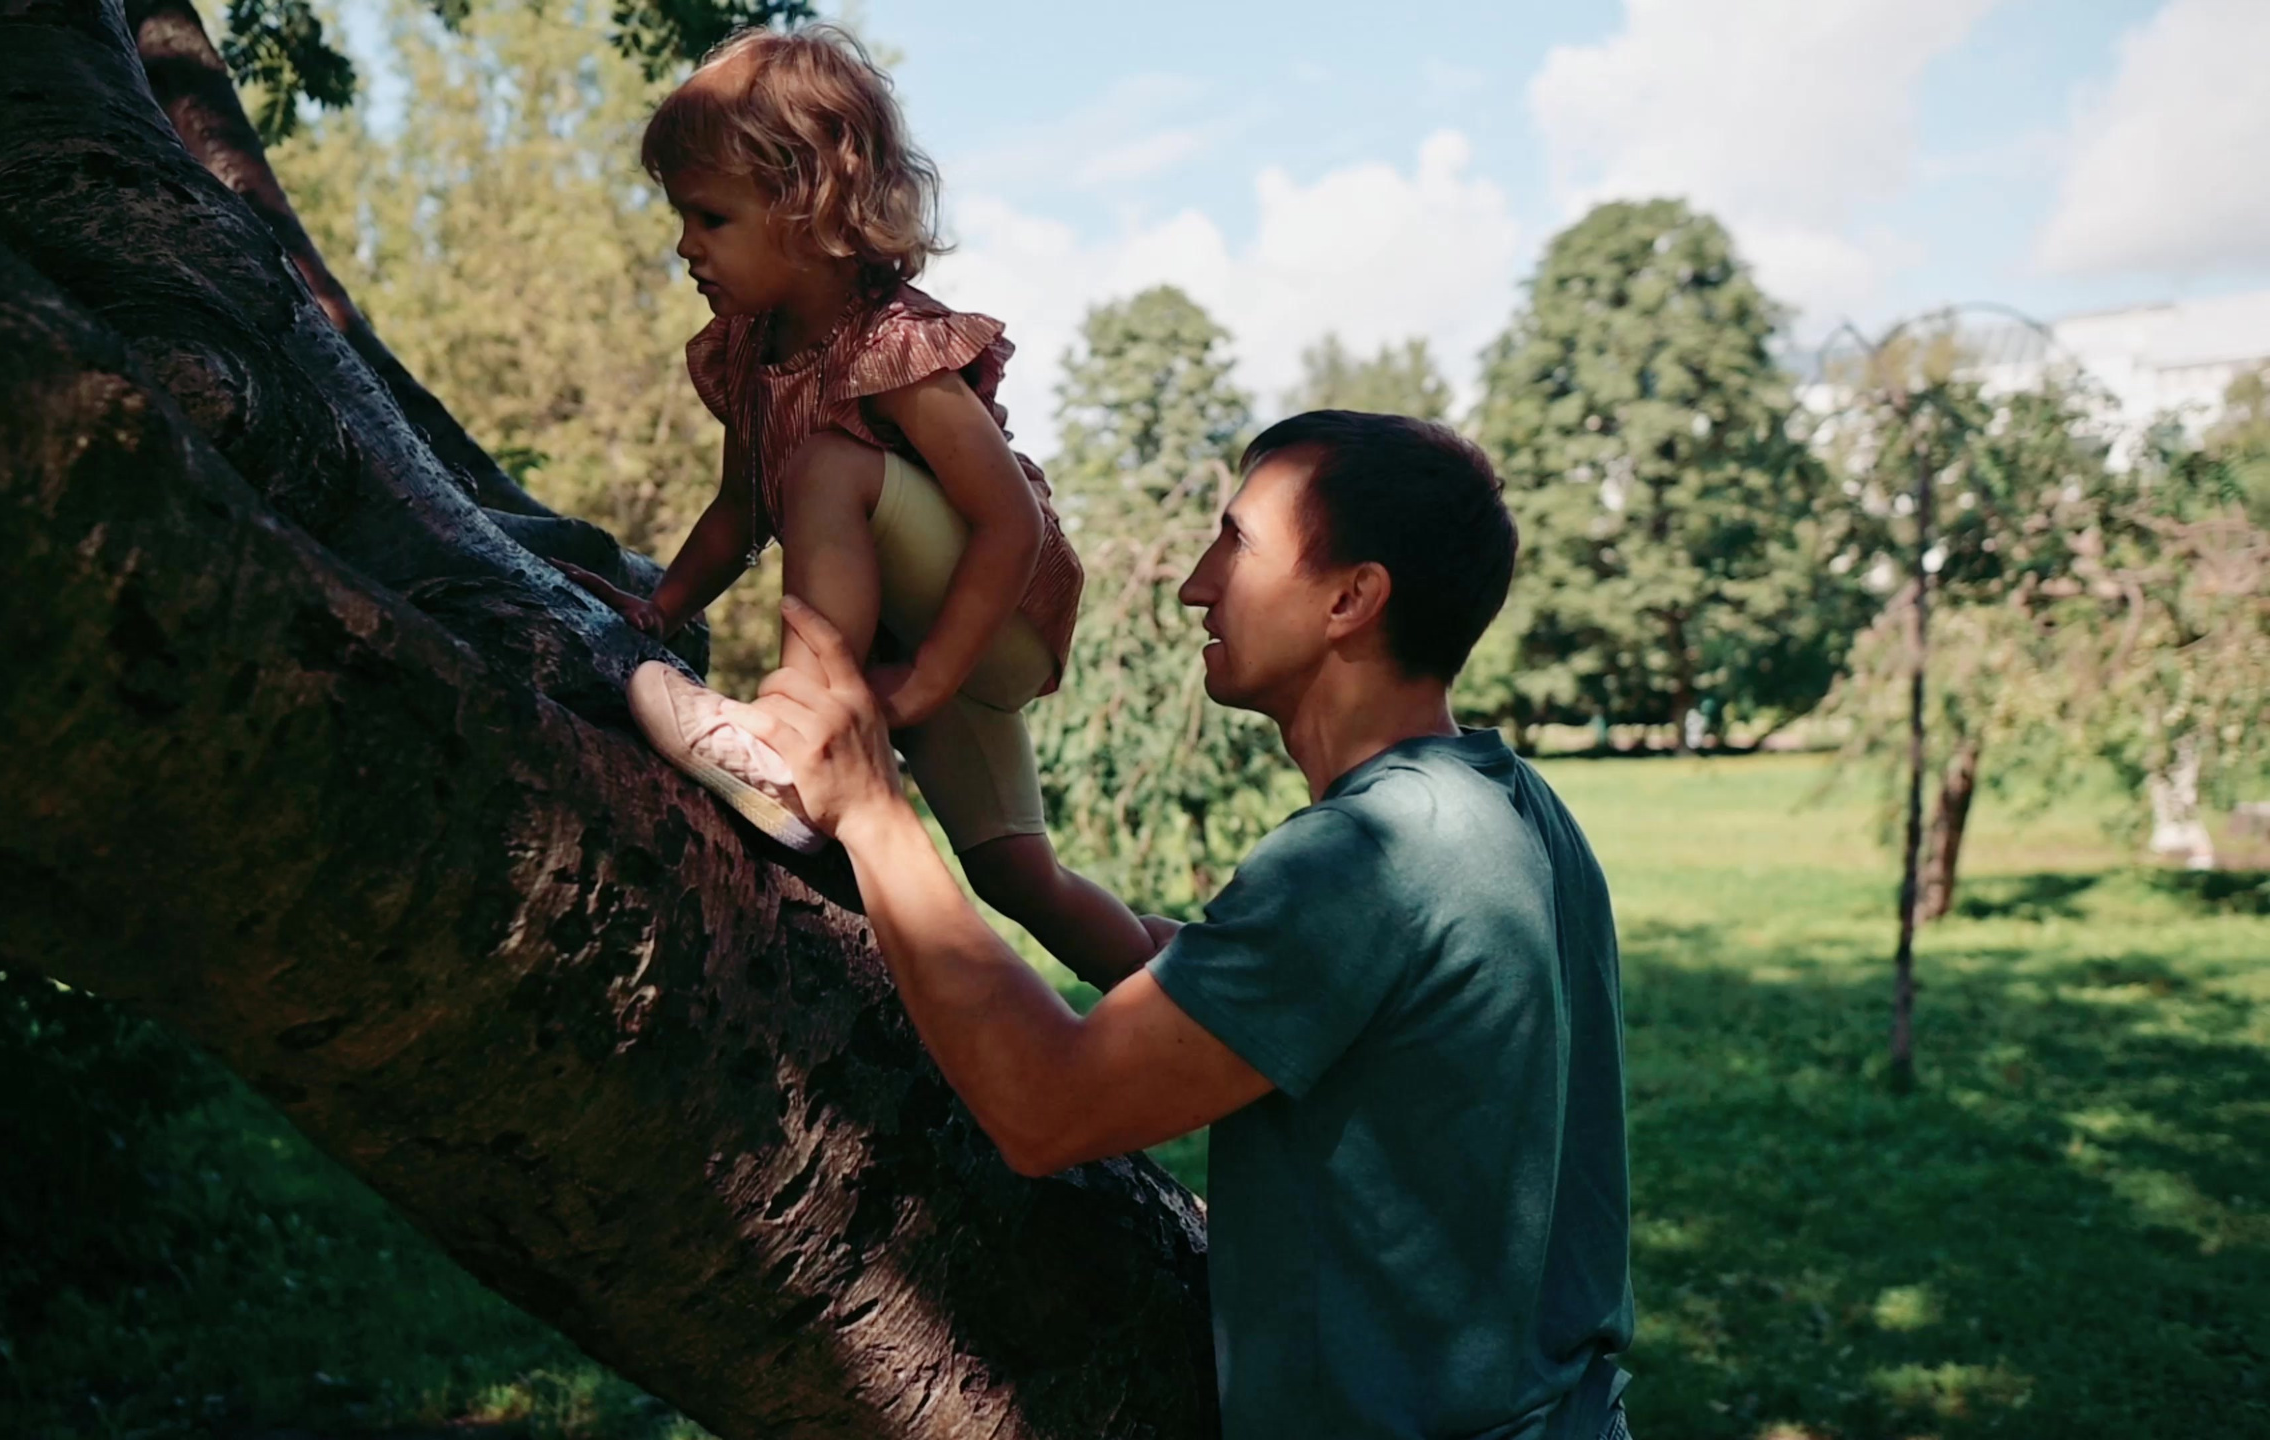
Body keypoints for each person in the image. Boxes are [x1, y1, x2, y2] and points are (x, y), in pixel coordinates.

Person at [728, 411, 1638, 1440]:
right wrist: (1027, 882)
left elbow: (1049, 1111)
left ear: (1351, 598)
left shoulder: (1363, 862)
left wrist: (873, 814)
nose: (1195, 584)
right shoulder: (1505, 808)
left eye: (1237, 543)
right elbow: (1250, 996)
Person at [561, 24, 1155, 987]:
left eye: (710, 218)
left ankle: (801, 741)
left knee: (829, 466)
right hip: (909, 638)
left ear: (804, 206)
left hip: (990, 615)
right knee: (1017, 874)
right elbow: (740, 507)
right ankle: (1193, 987)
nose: (684, 246)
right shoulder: (752, 352)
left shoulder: (892, 346)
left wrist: (922, 684)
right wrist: (659, 609)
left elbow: (1014, 524)